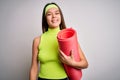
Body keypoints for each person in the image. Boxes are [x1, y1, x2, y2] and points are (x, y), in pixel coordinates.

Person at [29, 2, 88, 80]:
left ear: (60, 16)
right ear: (45, 19)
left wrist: (71, 63)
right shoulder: (37, 40)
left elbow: (85, 64)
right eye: (49, 14)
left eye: (57, 13)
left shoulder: (68, 38)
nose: (54, 16)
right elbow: (34, 68)